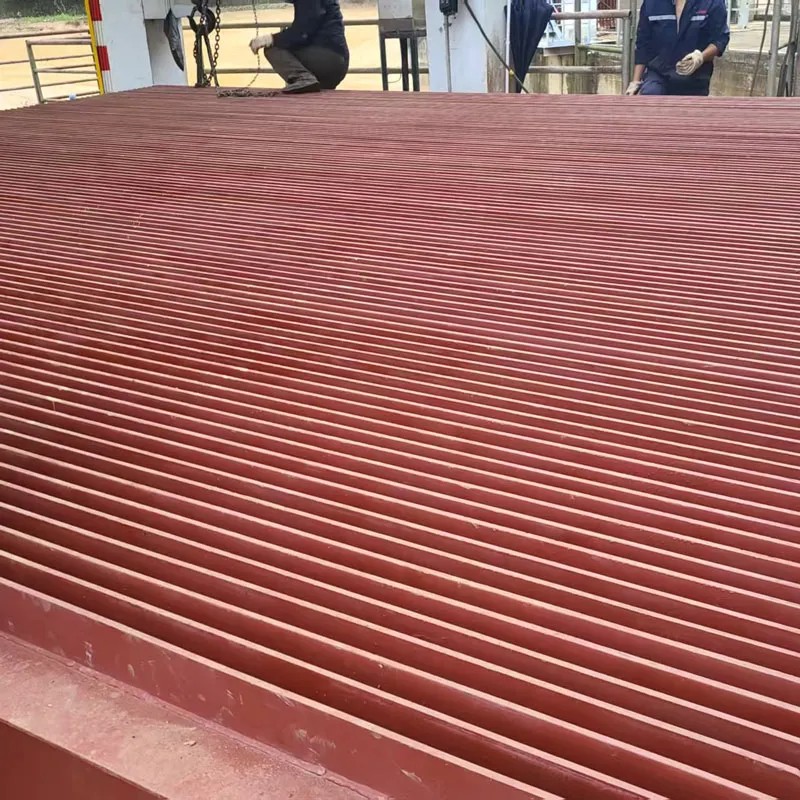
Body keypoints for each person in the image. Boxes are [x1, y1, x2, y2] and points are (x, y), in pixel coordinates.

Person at [627, 0, 730, 96]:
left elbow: (720, 39)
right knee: (651, 94)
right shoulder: (652, 3)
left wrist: (700, 57)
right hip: (659, 74)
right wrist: (636, 81)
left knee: (689, 107)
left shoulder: (711, 2)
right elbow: (643, 44)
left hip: (695, 78)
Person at [249, 0, 349, 94]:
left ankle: (303, 78)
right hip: (337, 61)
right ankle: (307, 80)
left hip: (327, 59)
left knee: (273, 49)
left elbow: (302, 33)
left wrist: (271, 39)